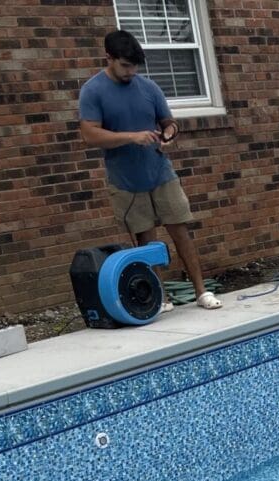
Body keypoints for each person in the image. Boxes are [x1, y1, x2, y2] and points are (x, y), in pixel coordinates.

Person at [78, 30, 222, 311]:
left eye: (134, 67)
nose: (131, 72)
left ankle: (201, 291)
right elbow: (89, 135)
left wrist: (170, 131)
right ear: (108, 58)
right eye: (125, 66)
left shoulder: (149, 88)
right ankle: (162, 298)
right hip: (125, 180)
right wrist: (131, 137)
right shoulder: (93, 91)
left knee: (180, 230)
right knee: (146, 241)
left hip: (160, 173)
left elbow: (168, 121)